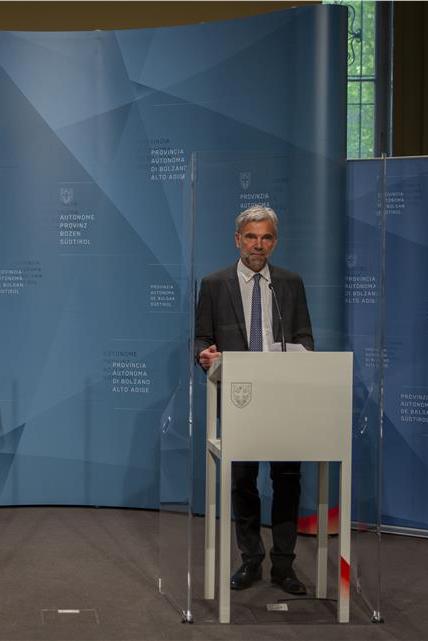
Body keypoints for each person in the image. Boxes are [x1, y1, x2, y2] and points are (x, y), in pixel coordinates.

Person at [193, 204, 314, 596]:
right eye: (251, 237)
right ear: (237, 240)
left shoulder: (290, 283)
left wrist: (303, 357)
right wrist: (204, 355)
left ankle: (284, 566)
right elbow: (202, 338)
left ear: (274, 242)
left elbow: (305, 335)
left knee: (287, 481)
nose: (258, 245)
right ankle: (250, 560)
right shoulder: (214, 284)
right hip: (239, 398)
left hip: (284, 400)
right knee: (243, 481)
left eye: (265, 238)